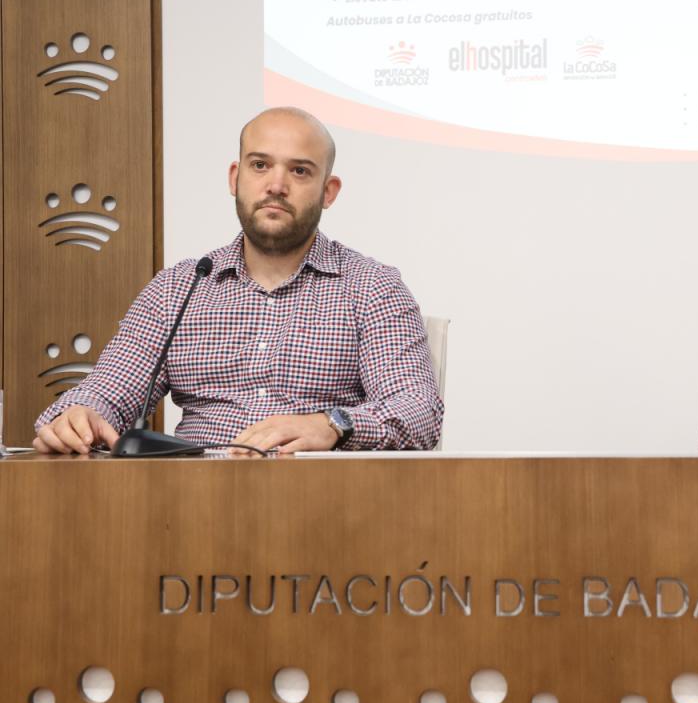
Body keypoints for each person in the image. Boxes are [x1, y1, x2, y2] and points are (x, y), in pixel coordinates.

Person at [33, 107, 443, 454]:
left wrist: (332, 424)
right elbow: (106, 392)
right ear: (235, 177)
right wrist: (79, 414)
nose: (276, 186)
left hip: (320, 499)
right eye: (260, 165)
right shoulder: (178, 288)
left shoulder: (372, 287)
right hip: (192, 500)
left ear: (328, 191)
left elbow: (418, 412)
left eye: (300, 171)